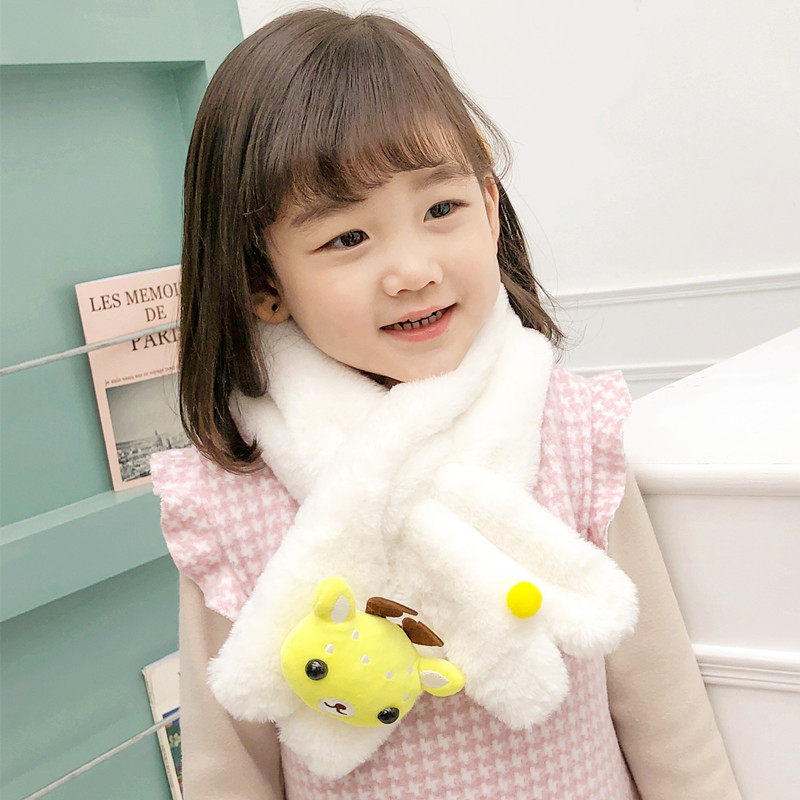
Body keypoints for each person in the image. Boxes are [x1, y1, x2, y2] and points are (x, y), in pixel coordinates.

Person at [150, 7, 743, 799]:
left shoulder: (571, 428)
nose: (413, 270)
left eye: (440, 210)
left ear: (490, 208)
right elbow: (230, 769)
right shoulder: (229, 496)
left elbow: (663, 706)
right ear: (263, 283)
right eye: (347, 239)